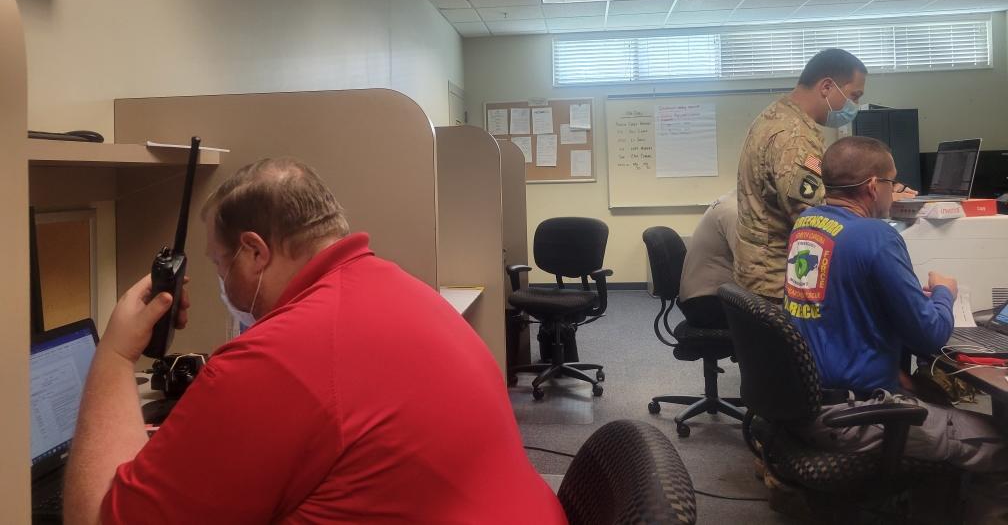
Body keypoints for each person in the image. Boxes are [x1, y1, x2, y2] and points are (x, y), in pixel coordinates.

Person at [65, 158, 567, 524]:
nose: (220, 281)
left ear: (254, 252)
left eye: (220, 264)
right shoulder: (406, 291)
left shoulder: (273, 359)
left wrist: (115, 353)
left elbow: (99, 517)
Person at [784, 137, 1007, 517]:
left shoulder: (808, 223)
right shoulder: (876, 235)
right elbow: (930, 335)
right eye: (893, 183)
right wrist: (943, 291)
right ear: (874, 186)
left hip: (807, 400)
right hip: (855, 414)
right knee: (1001, 446)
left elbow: (837, 299)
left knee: (937, 396)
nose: (896, 192)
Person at [735, 48, 870, 302]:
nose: (855, 106)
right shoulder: (794, 137)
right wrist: (868, 203)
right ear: (827, 86)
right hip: (779, 283)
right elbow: (812, 217)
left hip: (760, 275)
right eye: (855, 95)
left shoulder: (775, 116)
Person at [678, 190, 737, 329]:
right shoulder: (735, 211)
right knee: (776, 322)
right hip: (706, 305)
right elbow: (750, 266)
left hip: (700, 298)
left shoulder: (728, 200)